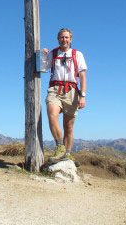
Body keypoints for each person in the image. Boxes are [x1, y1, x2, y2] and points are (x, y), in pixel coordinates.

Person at [41, 28, 87, 163]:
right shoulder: (53, 53)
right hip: (55, 89)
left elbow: (83, 76)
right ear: (58, 39)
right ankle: (59, 147)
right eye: (61, 37)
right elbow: (44, 67)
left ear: (70, 39)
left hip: (72, 91)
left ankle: (67, 154)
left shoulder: (77, 54)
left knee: (68, 126)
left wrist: (83, 96)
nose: (64, 40)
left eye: (66, 37)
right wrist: (44, 55)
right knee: (52, 114)